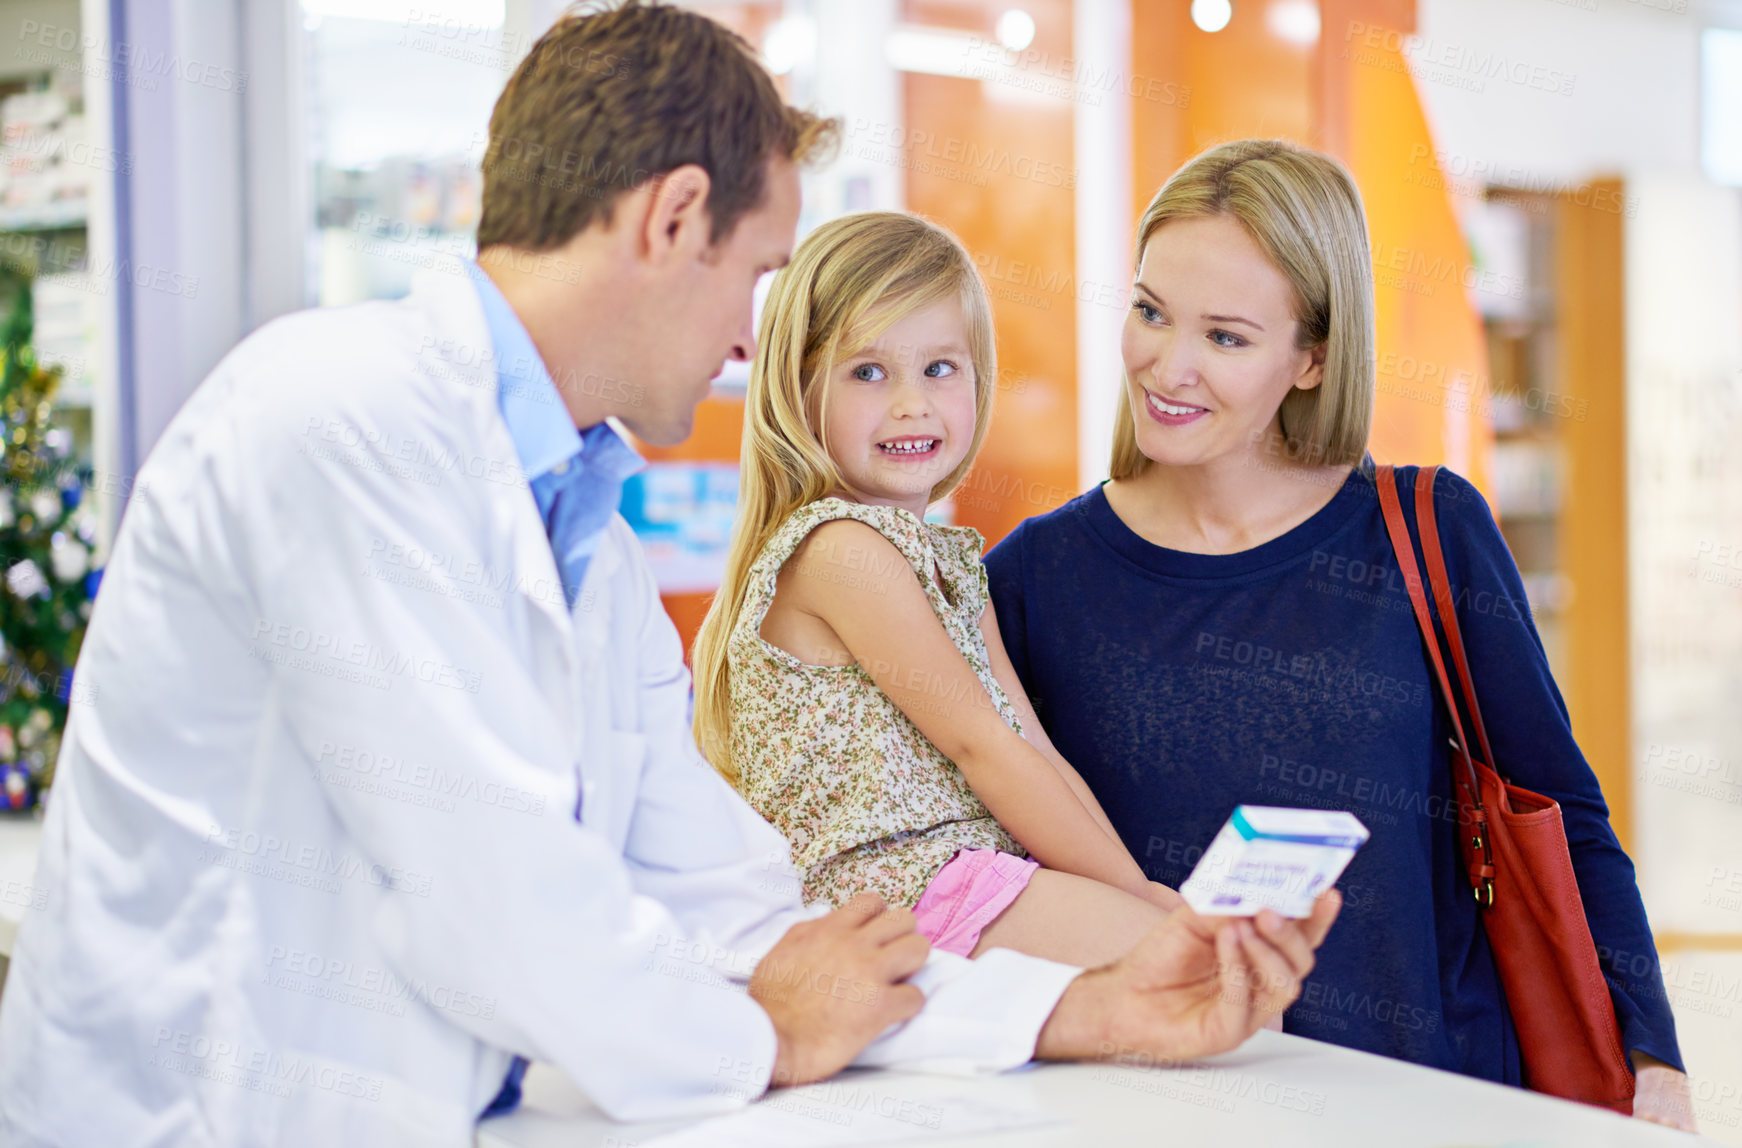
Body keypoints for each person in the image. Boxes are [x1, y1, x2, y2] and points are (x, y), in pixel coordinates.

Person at [0, 11, 1340, 1147]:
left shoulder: (582, 518)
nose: (754, 332)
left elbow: (728, 891)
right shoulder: (335, 418)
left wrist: (1089, 1006)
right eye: (757, 271)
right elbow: (500, 893)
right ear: (672, 218)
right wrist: (766, 1028)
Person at [982, 138, 1693, 1128]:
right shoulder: (1028, 576)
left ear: (1311, 356)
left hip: (1439, 1098)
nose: (1166, 364)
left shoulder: (1426, 528)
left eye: (1224, 337)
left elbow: (1562, 811)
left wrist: (1650, 1057)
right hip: (1163, 1108)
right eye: (1149, 311)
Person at [691, 211, 1185, 973]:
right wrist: (1143, 901)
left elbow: (1034, 749)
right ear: (799, 388)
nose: (912, 405)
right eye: (868, 372)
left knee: (1189, 961)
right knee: (1187, 967)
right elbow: (982, 748)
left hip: (967, 878)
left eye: (939, 368)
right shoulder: (841, 551)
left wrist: (1138, 890)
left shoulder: (950, 564)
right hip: (895, 894)